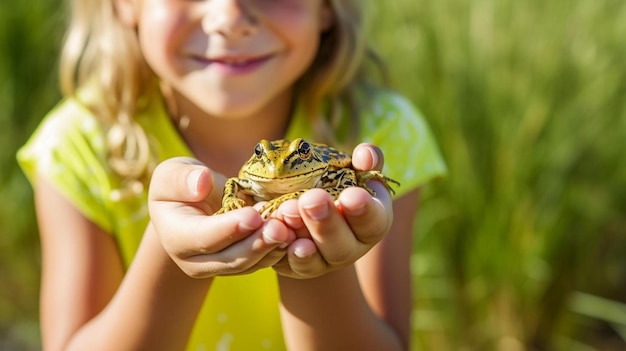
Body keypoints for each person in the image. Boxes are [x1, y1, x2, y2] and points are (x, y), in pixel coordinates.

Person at [18, 0, 446, 350]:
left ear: (329, 7)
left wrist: (319, 262)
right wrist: (172, 255)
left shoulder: (382, 132)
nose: (228, 19)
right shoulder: (77, 146)